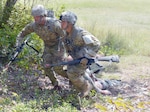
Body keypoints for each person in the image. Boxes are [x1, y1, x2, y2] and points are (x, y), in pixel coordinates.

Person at [59, 11, 112, 97]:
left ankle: (88, 87)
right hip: (76, 60)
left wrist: (87, 57)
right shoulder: (66, 34)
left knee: (72, 73)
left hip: (83, 60)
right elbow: (68, 48)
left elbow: (96, 44)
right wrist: (67, 57)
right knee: (63, 70)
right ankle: (92, 83)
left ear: (70, 23)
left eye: (63, 22)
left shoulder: (80, 33)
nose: (61, 23)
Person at [16, 5, 68, 89]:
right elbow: (22, 33)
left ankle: (73, 79)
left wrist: (68, 50)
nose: (35, 20)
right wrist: (18, 43)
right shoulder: (34, 26)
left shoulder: (54, 24)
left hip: (58, 46)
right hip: (48, 46)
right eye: (34, 18)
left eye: (37, 18)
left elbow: (65, 36)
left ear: (43, 16)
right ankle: (56, 84)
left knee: (58, 68)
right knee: (46, 66)